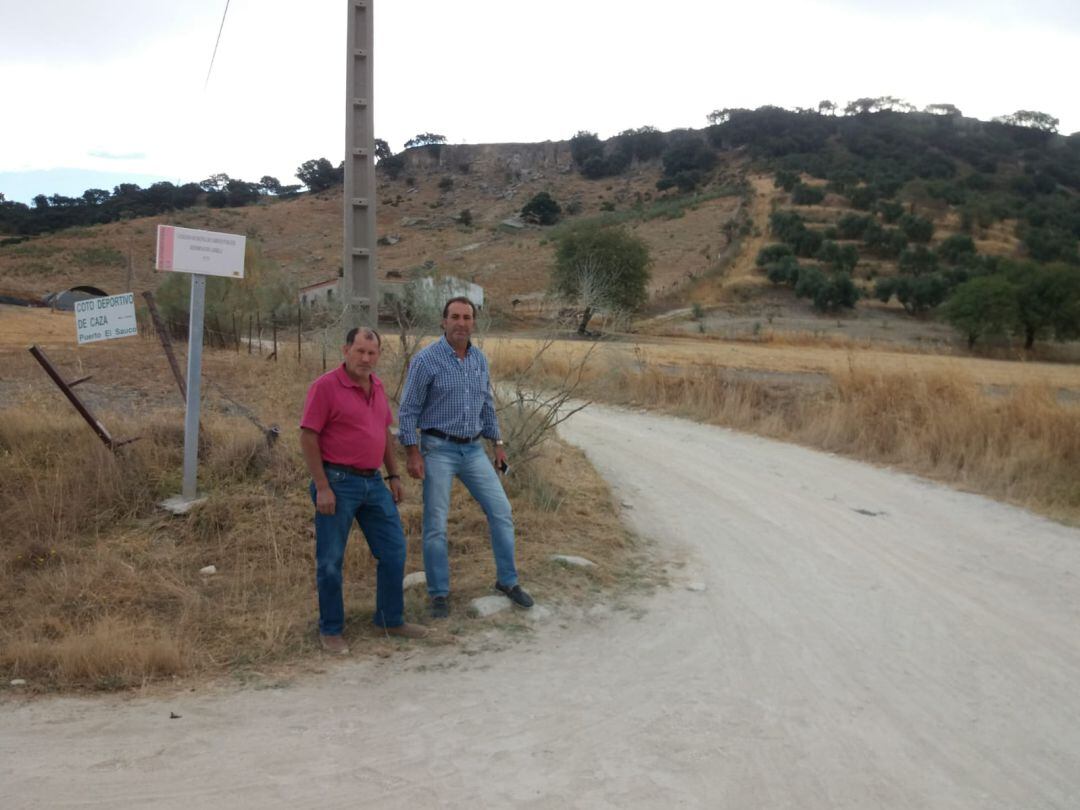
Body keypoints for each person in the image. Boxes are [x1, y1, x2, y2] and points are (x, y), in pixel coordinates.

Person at [398, 296, 534, 618]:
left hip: (473, 450)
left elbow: (486, 405)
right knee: (436, 523)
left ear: (474, 322)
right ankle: (439, 593)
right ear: (443, 321)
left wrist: (497, 444)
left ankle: (507, 581)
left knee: (501, 511)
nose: (461, 323)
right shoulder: (426, 360)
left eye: (467, 317)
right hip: (438, 449)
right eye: (455, 317)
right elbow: (408, 410)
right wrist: (412, 452)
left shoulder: (479, 360)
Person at [300, 327, 428, 653]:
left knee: (394, 550)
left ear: (378, 355)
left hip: (373, 482)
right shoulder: (325, 387)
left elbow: (383, 433)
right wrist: (322, 486)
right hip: (337, 482)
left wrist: (393, 475)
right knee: (330, 560)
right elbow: (308, 436)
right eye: (359, 351)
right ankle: (331, 629)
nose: (365, 358)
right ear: (346, 350)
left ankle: (390, 619)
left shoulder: (378, 386)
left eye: (372, 353)